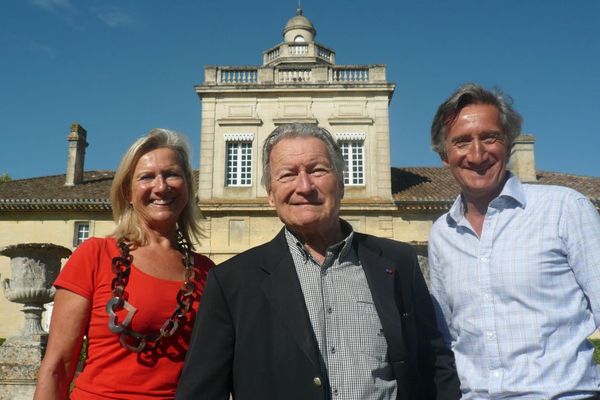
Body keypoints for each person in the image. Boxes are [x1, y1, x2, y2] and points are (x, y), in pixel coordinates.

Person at [176, 123, 460, 400]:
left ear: (341, 183)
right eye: (287, 174)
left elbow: (434, 363)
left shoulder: (399, 262)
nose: (304, 186)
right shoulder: (231, 282)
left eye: (318, 170)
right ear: (271, 195)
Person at [428, 83, 600, 398]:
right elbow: (448, 334)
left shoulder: (564, 208)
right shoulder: (442, 233)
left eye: (490, 137)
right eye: (462, 141)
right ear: (444, 155)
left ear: (508, 143)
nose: (477, 153)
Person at [34, 129, 215, 399]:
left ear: (188, 187)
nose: (161, 186)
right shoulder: (95, 256)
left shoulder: (206, 272)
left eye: (172, 174)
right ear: (128, 192)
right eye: (147, 177)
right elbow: (57, 366)